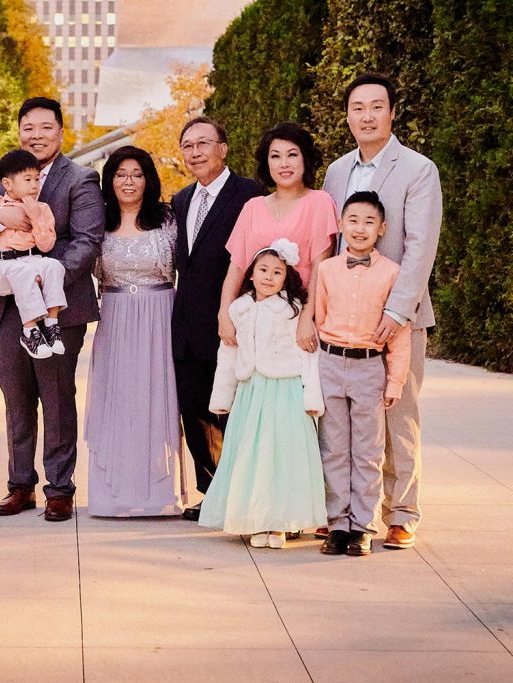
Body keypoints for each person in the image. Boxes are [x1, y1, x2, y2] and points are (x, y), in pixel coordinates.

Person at [0, 96, 105, 522]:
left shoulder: (80, 179)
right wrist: (1, 219)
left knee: (57, 396)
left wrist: (44, 278)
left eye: (46, 127)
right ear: (19, 131)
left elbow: (87, 240)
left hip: (58, 304)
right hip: (7, 306)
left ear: (61, 132)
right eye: (29, 127)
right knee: (17, 397)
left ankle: (59, 488)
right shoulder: (0, 177)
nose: (36, 135)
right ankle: (19, 486)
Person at [322, 73, 443, 550]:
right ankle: (346, 513)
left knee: (397, 413)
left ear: (392, 113)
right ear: (348, 115)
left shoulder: (418, 169)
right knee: (342, 424)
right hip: (343, 319)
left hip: (399, 315)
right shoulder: (336, 171)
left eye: (376, 107)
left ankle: (402, 511)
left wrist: (396, 311)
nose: (367, 116)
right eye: (357, 107)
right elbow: (331, 244)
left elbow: (420, 248)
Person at [199, 240, 326, 549]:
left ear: (287, 277)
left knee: (281, 457)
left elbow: (308, 354)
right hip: (251, 392)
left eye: (277, 272)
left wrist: (312, 398)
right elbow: (228, 353)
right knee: (251, 457)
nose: (269, 277)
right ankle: (255, 520)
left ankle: (280, 524)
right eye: (263, 270)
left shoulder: (291, 309)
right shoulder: (239, 309)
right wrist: (221, 397)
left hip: (284, 391)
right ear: (251, 274)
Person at [171, 117, 264, 522]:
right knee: (197, 415)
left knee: (236, 413)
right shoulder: (180, 200)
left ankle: (243, 494)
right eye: (188, 146)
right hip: (188, 328)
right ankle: (212, 493)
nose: (195, 152)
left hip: (235, 324)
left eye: (203, 143)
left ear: (223, 148)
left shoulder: (251, 195)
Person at [85, 145, 184, 517]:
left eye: (137, 174)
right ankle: (112, 495)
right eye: (121, 174)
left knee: (156, 398)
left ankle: (158, 495)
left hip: (160, 316)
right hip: (115, 316)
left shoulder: (167, 219)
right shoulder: (99, 223)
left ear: (148, 179)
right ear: (109, 180)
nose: (129, 181)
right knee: (118, 400)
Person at [316, 191, 411, 557]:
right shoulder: (327, 270)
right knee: (335, 447)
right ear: (341, 225)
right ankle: (338, 524)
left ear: (382, 229)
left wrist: (396, 380)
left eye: (369, 222)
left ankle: (363, 527)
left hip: (370, 365)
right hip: (330, 363)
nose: (360, 228)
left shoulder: (392, 273)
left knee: (368, 450)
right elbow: (320, 319)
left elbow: (398, 334)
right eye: (352, 220)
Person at [220, 122, 338, 354]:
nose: (284, 163)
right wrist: (224, 313)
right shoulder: (252, 207)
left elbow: (319, 269)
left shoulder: (320, 202)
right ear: (267, 163)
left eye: (292, 155)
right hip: (256, 321)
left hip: (297, 320)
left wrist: (307, 316)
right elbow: (236, 268)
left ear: (305, 159)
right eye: (275, 156)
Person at [0, 149, 66, 359]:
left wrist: (36, 218)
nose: (35, 185)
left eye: (37, 179)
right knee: (20, 270)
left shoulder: (42, 209)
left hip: (28, 259)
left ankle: (52, 324)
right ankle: (30, 330)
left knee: (54, 266)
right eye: (28, 180)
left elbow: (46, 246)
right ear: (8, 184)